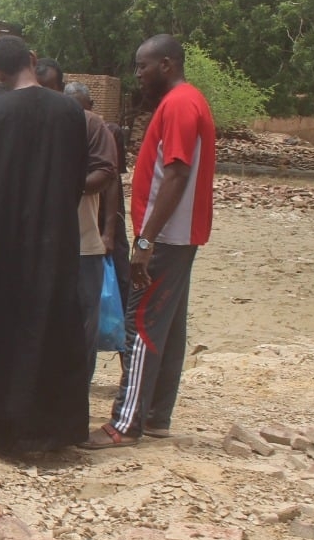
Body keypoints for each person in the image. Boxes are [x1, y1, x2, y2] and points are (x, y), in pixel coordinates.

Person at [85, 34, 216, 449]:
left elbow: (176, 174)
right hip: (177, 236)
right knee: (169, 325)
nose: (137, 74)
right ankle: (158, 415)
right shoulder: (186, 101)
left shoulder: (179, 104)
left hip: (165, 238)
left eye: (143, 66)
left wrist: (145, 242)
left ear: (167, 64)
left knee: (141, 324)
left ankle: (125, 422)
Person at [0, 37, 92, 455]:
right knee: (56, 326)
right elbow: (78, 177)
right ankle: (58, 432)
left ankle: (6, 433)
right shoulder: (70, 110)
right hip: (57, 238)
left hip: (5, 242)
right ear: (33, 62)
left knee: (4, 330)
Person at [66, 81, 125, 383]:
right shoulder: (61, 130)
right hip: (68, 242)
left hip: (89, 239)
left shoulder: (103, 131)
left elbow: (110, 181)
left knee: (89, 319)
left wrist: (109, 231)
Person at [68, 80, 132, 312]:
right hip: (82, 216)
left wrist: (109, 231)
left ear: (91, 105)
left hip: (106, 212)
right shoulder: (66, 127)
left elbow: (112, 181)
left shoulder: (108, 131)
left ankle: (124, 339)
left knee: (120, 275)